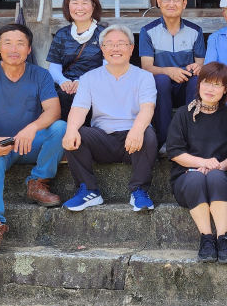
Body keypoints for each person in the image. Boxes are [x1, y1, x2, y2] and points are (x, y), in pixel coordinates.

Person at [0, 23, 66, 255]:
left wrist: (31, 128)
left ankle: (38, 182)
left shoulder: (41, 75)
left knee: (61, 128)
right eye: (7, 43)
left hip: (30, 143)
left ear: (28, 49)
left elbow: (53, 111)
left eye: (20, 44)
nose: (14, 49)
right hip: (0, 144)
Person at [62, 25, 159, 212]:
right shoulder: (89, 78)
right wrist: (71, 129)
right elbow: (79, 108)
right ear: (102, 49)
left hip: (133, 142)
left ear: (131, 48)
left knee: (148, 134)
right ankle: (89, 191)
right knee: (75, 133)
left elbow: (148, 107)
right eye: (110, 44)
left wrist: (137, 130)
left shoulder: (144, 77)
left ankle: (139, 191)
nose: (116, 49)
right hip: (102, 139)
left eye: (121, 44)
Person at [166, 62, 227, 263]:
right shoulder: (183, 113)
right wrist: (203, 163)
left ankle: (223, 238)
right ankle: (207, 239)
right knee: (195, 178)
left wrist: (216, 166)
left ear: (225, 89)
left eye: (217, 85)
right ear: (199, 84)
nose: (210, 89)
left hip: (221, 176)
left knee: (216, 176)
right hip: (187, 178)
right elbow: (174, 152)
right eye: (206, 83)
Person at [139, 0, 206, 149]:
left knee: (197, 80)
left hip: (186, 87)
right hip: (162, 89)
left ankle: (191, 139)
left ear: (184, 3)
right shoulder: (148, 31)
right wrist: (168, 71)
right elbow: (146, 67)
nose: (171, 3)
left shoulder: (195, 31)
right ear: (158, 2)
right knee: (160, 80)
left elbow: (201, 66)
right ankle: (165, 139)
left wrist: (197, 68)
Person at [46, 0, 105, 120]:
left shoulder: (103, 34)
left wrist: (83, 82)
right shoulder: (61, 35)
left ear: (93, 6)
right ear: (68, 7)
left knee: (84, 95)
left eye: (85, 3)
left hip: (94, 85)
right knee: (64, 94)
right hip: (66, 87)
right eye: (75, 3)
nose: (80, 8)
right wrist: (63, 81)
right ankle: (66, 135)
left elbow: (108, 66)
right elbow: (54, 68)